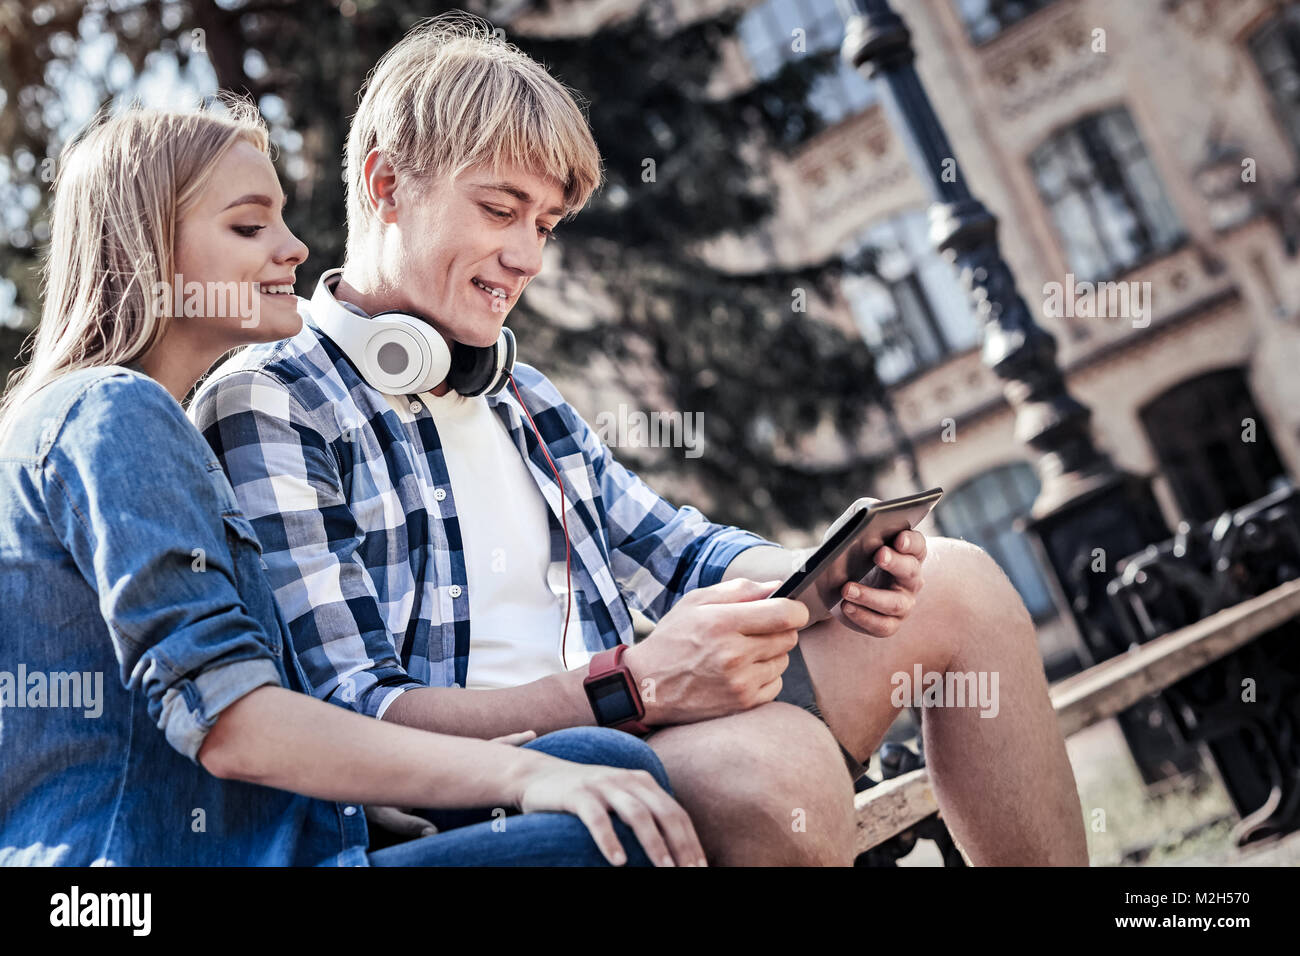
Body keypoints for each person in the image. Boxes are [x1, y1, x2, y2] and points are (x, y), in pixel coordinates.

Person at [194, 13, 1090, 866]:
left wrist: (836, 568)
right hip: (485, 789)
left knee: (958, 582)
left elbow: (676, 551)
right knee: (776, 776)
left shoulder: (518, 393)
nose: (528, 259)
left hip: (639, 717)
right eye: (501, 210)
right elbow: (358, 713)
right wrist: (634, 685)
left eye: (544, 226)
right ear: (388, 186)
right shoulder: (272, 403)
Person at [0, 101, 707, 867]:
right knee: (605, 830)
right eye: (248, 227)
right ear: (146, 248)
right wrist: (524, 771)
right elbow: (233, 724)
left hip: (274, 843)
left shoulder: (150, 427)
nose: (294, 248)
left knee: (609, 767)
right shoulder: (111, 412)